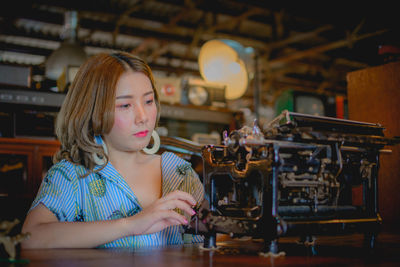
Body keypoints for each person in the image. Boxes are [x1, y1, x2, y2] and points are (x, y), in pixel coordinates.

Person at [21, 52, 204, 249]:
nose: (142, 117)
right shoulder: (72, 176)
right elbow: (30, 237)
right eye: (125, 105)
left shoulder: (179, 172)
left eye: (149, 101)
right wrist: (131, 224)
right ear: (94, 111)